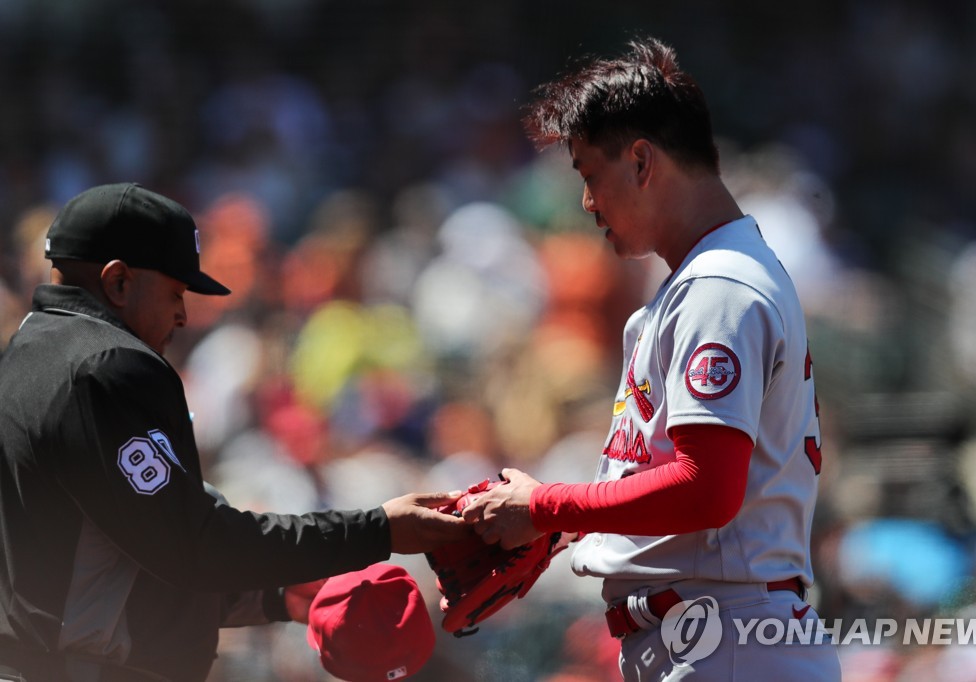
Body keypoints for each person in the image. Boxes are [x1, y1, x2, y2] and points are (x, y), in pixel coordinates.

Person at [461, 38, 843, 681]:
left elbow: (706, 488)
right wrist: (555, 527)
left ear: (641, 160)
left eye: (589, 175)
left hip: (727, 637)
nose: (586, 203)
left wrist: (547, 508)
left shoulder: (719, 286)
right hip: (711, 635)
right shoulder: (700, 282)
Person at [0, 182, 469, 682]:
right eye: (175, 292)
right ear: (118, 283)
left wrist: (272, 595)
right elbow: (193, 548)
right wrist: (378, 529)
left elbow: (127, 557)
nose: (183, 314)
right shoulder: (109, 364)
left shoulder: (24, 353)